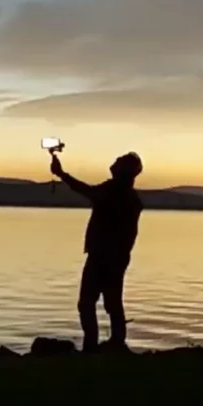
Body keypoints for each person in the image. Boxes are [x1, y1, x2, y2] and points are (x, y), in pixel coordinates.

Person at [50, 151, 144, 353]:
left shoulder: (115, 191)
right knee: (112, 302)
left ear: (124, 171)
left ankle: (93, 346)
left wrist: (62, 174)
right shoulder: (129, 196)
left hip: (104, 256)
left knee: (88, 303)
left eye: (118, 162)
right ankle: (115, 343)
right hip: (116, 257)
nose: (113, 163)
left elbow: (87, 191)